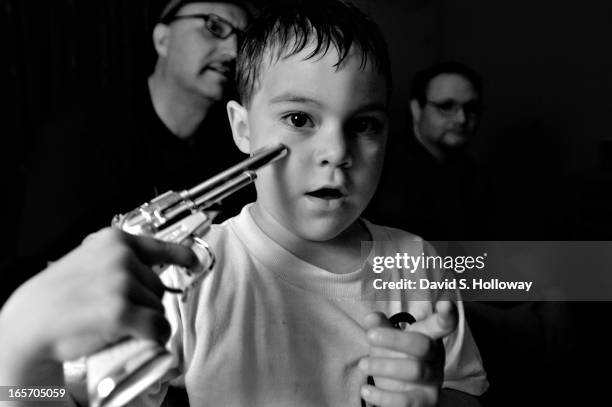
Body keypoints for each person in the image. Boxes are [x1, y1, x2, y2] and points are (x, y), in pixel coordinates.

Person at [1, 1, 488, 406]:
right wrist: (17, 341)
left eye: (363, 125)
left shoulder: (417, 262)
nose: (337, 153)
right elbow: (48, 395)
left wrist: (433, 397)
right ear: (241, 128)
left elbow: (469, 393)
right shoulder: (188, 275)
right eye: (299, 118)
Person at [7, 0, 252, 302]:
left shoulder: (232, 147)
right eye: (214, 27)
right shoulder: (84, 134)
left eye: (243, 38)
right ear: (162, 39)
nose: (233, 52)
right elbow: (38, 272)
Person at [367, 62, 492, 241]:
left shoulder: (477, 177)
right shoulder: (380, 172)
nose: (462, 119)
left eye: (471, 108)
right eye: (446, 106)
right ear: (416, 109)